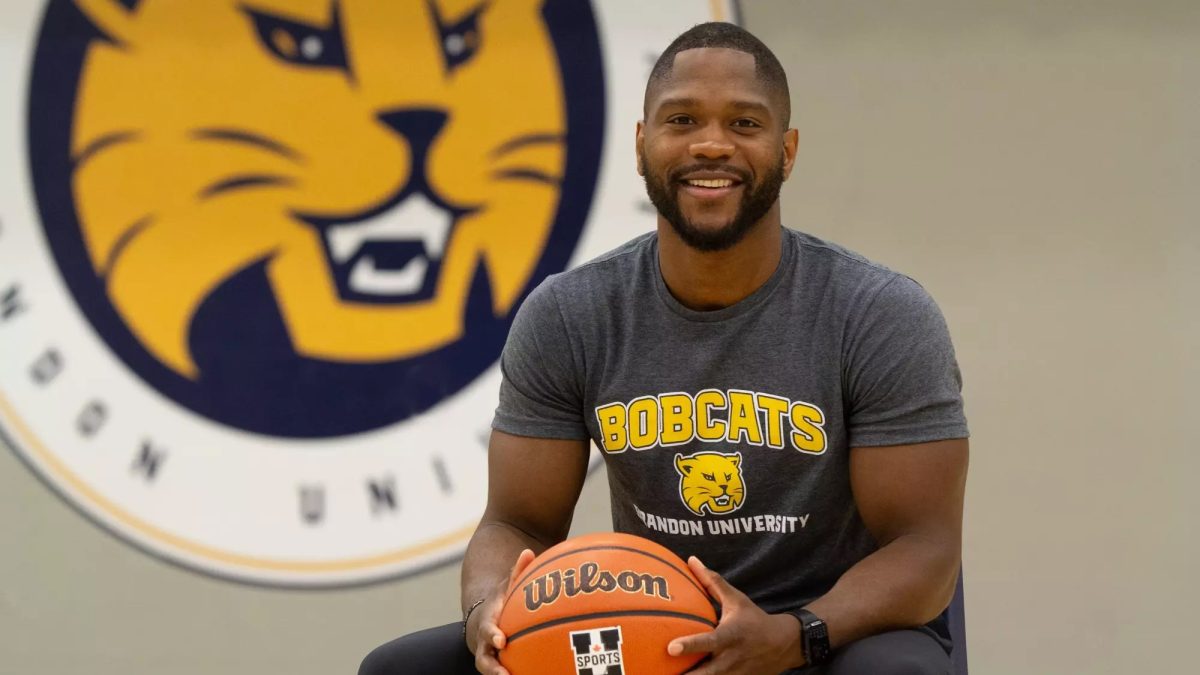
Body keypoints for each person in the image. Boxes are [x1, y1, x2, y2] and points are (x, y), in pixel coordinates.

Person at [361, 21, 968, 675]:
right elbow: (517, 523)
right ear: (642, 145)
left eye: (744, 124)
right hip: (660, 630)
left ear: (787, 150)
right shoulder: (572, 315)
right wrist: (491, 607)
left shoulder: (877, 313)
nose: (712, 144)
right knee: (403, 668)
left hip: (828, 632)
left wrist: (793, 634)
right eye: (682, 120)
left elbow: (925, 550)